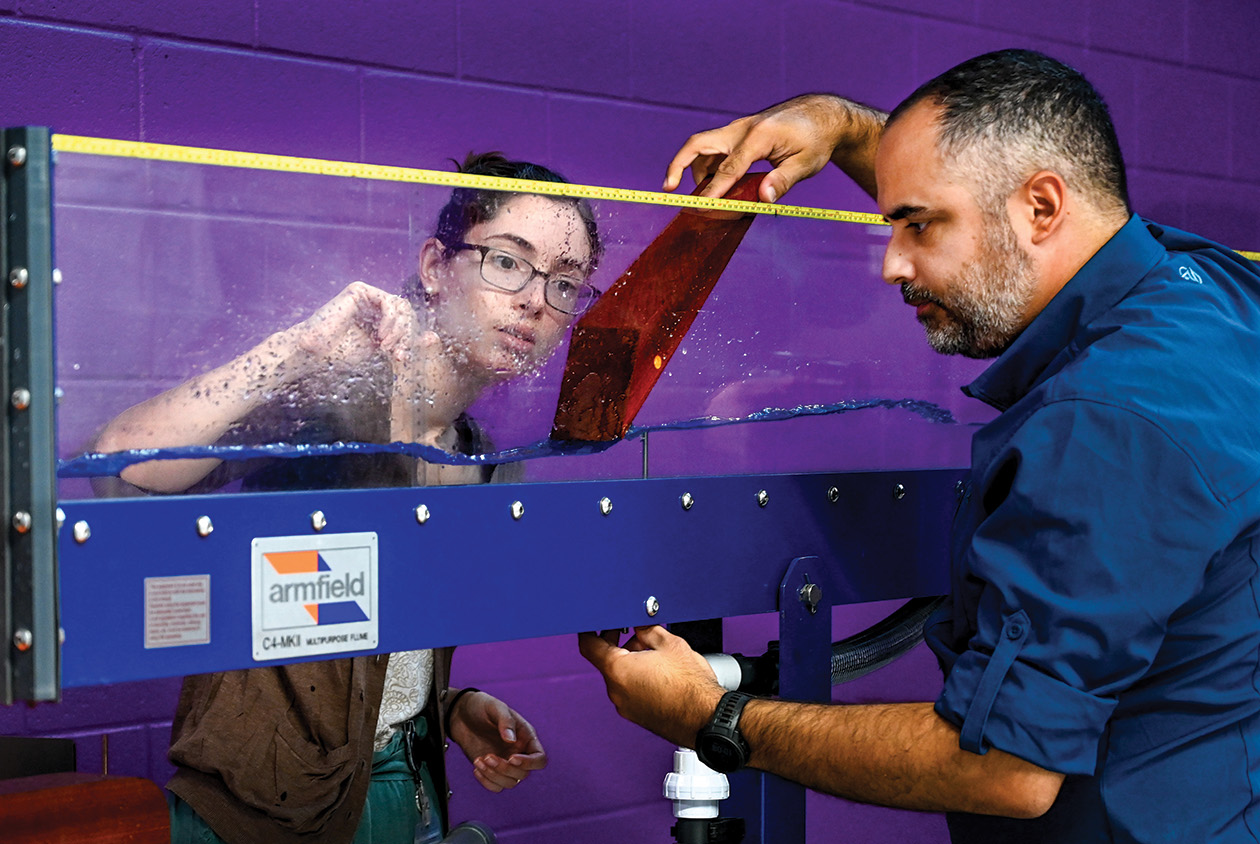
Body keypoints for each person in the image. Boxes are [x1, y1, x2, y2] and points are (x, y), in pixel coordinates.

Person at [580, 49, 1260, 843]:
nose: (892, 264)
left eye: (918, 224)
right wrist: (839, 124)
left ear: (1042, 207)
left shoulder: (1102, 425)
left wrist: (711, 715)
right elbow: (980, 183)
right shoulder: (1206, 285)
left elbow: (1004, 767)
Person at [93, 152, 605, 844]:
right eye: (509, 262)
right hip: (262, 813)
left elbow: (364, 627)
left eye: (566, 284)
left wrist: (442, 707)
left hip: (405, 789)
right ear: (435, 267)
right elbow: (119, 472)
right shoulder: (332, 395)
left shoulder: (484, 460)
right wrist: (299, 350)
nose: (535, 302)